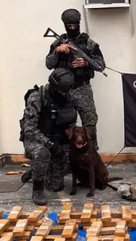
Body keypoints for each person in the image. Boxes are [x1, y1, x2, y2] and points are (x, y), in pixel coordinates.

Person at [45, 8, 105, 145]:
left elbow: (101, 66)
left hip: (83, 89)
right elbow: (48, 64)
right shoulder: (58, 43)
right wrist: (57, 51)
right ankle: (66, 158)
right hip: (63, 92)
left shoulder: (88, 43)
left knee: (89, 123)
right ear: (65, 25)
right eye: (69, 26)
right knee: (65, 124)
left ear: (79, 23)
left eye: (75, 25)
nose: (72, 28)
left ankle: (91, 155)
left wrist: (86, 63)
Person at [20, 68, 78, 205]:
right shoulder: (37, 97)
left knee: (56, 185)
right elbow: (30, 130)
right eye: (61, 91)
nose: (64, 94)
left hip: (59, 140)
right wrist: (50, 144)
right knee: (42, 154)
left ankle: (38, 170)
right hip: (37, 140)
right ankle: (37, 188)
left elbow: (72, 122)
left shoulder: (70, 95)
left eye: (66, 91)